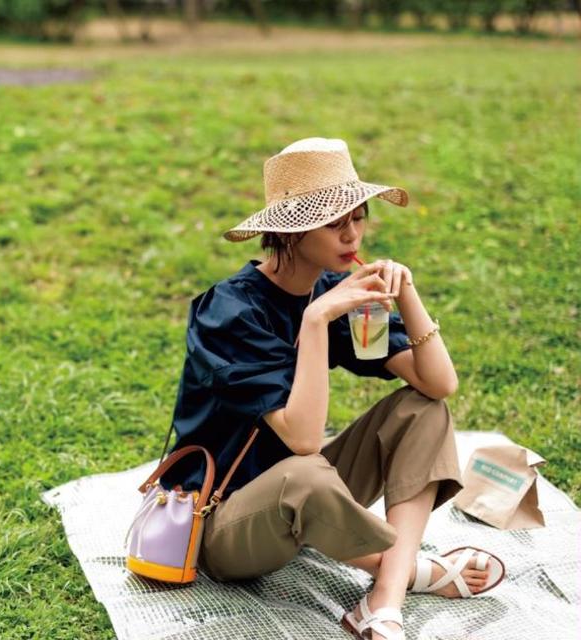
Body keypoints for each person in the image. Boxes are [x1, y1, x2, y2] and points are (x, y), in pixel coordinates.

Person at [160, 138, 505, 640]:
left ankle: (383, 599)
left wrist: (407, 294)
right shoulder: (230, 313)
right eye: (333, 222)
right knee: (306, 473)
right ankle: (408, 570)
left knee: (422, 410)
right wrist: (317, 320)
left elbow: (439, 383)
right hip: (222, 525)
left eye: (358, 218)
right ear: (290, 230)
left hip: (307, 497)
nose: (352, 234)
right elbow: (302, 440)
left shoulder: (332, 293)